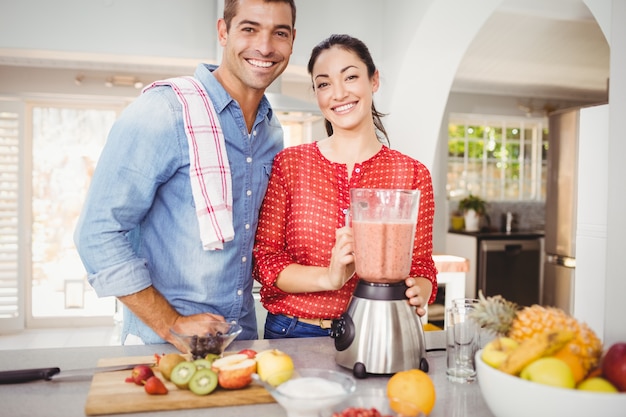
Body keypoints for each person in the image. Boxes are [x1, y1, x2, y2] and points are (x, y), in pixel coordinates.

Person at [73, 0, 296, 351]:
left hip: (240, 339)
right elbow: (97, 233)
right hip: (161, 345)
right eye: (249, 28)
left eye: (279, 33)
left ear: (292, 40)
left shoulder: (272, 132)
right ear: (223, 32)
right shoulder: (164, 111)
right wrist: (171, 324)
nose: (265, 47)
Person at [253, 34, 438, 339]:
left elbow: (421, 267)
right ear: (316, 93)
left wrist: (420, 289)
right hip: (294, 331)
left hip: (379, 331)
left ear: (373, 80)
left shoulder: (412, 174)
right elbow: (266, 260)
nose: (338, 93)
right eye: (324, 83)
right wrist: (330, 277)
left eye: (350, 77)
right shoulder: (290, 165)